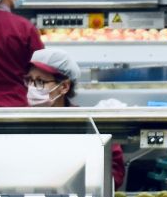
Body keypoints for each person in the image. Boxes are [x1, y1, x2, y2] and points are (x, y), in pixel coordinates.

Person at [24, 48, 125, 186]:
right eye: (29, 80)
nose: (32, 87)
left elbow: (113, 171)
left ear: (64, 86)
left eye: (40, 81)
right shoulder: (19, 121)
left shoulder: (86, 123)